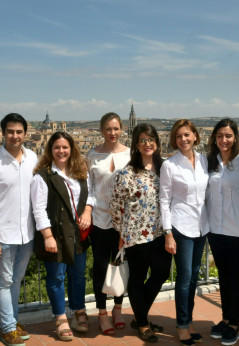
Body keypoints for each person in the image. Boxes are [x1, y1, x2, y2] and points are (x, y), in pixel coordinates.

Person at [110, 123, 172, 343]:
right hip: (136, 235)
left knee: (161, 273)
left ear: (157, 142)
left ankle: (139, 315)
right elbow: (116, 206)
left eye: (151, 139)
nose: (148, 144)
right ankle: (143, 323)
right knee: (137, 277)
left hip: (161, 233)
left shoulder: (165, 168)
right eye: (143, 140)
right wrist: (120, 232)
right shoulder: (127, 173)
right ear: (136, 145)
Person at [31, 131, 93, 341]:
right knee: (56, 277)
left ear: (71, 149)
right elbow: (38, 209)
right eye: (57, 147)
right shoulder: (43, 176)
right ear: (50, 150)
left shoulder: (80, 171)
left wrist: (87, 212)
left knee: (78, 275)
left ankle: (78, 311)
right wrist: (47, 236)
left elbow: (89, 195)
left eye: (65, 147)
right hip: (55, 235)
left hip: (78, 234)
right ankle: (60, 317)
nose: (61, 151)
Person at [0, 113, 38, 346]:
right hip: (2, 235)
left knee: (16, 281)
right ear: (3, 133)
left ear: (25, 133)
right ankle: (7, 328)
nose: (15, 136)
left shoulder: (33, 158)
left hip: (27, 234)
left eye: (19, 132)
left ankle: (12, 322)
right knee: (3, 281)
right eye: (10, 131)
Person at [206, 118, 239, 346]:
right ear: (214, 138)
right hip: (216, 230)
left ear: (235, 137)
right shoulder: (211, 162)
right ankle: (225, 318)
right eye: (219, 136)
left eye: (228, 136)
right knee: (224, 277)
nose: (224, 140)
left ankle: (235, 324)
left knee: (237, 278)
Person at [160, 119, 209, 346]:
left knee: (194, 276)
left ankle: (188, 321)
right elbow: (164, 200)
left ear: (195, 136)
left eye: (187, 135)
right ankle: (181, 326)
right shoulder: (170, 165)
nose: (183, 139)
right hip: (180, 226)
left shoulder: (204, 161)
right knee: (184, 278)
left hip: (202, 226)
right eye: (179, 136)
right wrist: (168, 233)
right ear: (174, 140)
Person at [86, 112, 131, 335]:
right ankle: (102, 313)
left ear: (121, 129)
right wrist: (87, 210)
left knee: (121, 264)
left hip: (124, 221)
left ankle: (118, 309)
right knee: (101, 267)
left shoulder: (130, 155)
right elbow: (89, 188)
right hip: (100, 218)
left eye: (116, 128)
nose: (112, 133)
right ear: (101, 130)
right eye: (108, 129)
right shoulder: (93, 155)